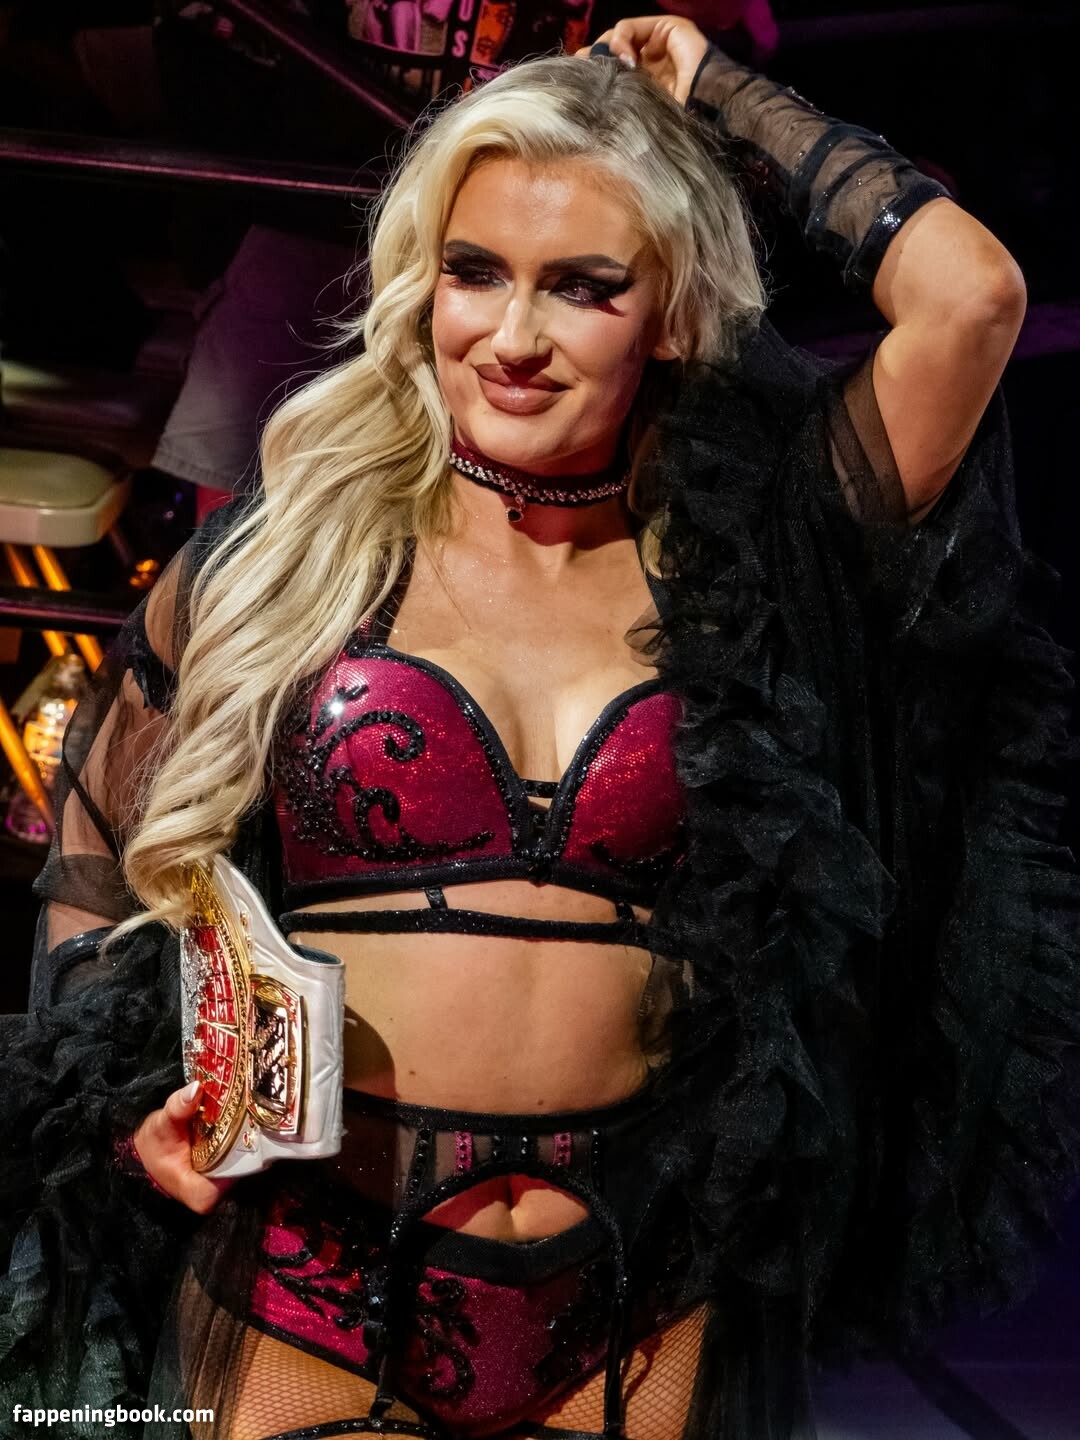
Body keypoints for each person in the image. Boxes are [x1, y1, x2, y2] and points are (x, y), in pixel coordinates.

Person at [3, 15, 1079, 1440]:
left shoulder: (764, 558)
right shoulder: (291, 558)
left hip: (644, 1282)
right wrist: (127, 1106)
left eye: (583, 286)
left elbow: (971, 297)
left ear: (673, 313)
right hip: (311, 1269)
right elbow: (98, 860)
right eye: (473, 272)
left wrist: (715, 91)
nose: (511, 338)